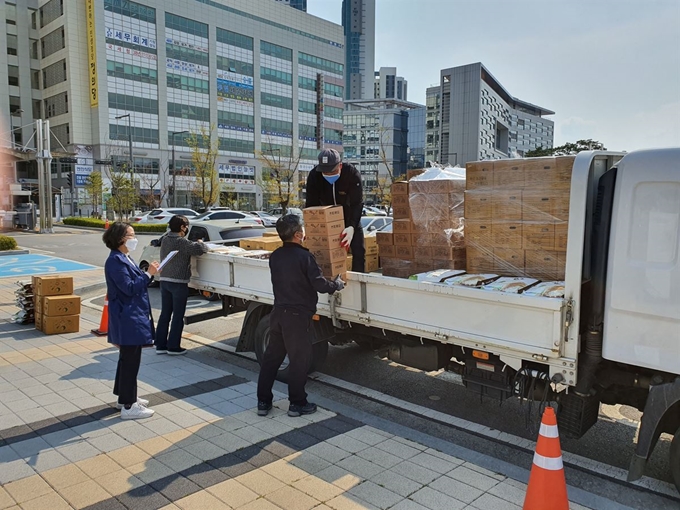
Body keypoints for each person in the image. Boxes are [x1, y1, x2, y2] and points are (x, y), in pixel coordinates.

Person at [257, 214, 345, 417]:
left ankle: (263, 402)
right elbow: (319, 284)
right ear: (298, 235)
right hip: (296, 318)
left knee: (271, 360)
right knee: (299, 360)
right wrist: (336, 285)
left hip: (278, 313)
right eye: (303, 229)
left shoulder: (276, 256)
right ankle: (297, 403)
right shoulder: (305, 257)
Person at [103, 222, 159, 420]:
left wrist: (147, 275)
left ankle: (124, 398)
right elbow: (128, 287)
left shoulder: (124, 257)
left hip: (131, 315)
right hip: (127, 317)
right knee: (130, 361)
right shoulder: (115, 262)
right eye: (131, 235)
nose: (134, 239)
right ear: (120, 238)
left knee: (127, 359)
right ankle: (129, 405)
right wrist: (148, 274)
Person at [155, 215, 208, 355]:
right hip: (178, 283)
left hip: (164, 280)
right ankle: (173, 346)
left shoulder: (165, 239)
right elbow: (201, 249)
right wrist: (200, 241)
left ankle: (160, 345)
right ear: (182, 227)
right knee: (178, 316)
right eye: (186, 226)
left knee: (165, 313)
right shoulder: (181, 242)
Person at [305, 148, 365, 272]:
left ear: (340, 165)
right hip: (325, 220)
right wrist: (309, 226)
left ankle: (358, 282)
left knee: (359, 251)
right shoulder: (314, 176)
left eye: (332, 171)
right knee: (320, 252)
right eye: (325, 172)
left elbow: (357, 203)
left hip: (349, 218)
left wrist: (352, 227)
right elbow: (311, 204)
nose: (328, 175)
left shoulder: (352, 174)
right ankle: (323, 280)